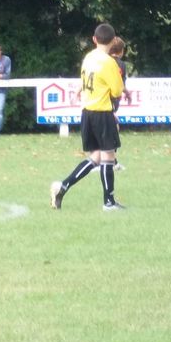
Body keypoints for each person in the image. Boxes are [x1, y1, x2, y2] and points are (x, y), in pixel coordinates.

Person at [50, 23, 126, 211]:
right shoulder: (109, 62)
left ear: (94, 39)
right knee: (109, 155)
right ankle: (109, 202)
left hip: (87, 111)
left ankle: (63, 186)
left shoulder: (88, 57)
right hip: (102, 111)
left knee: (96, 156)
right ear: (113, 40)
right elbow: (117, 90)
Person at [109, 37, 127, 170]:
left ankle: (111, 160)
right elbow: (119, 83)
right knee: (114, 128)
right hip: (110, 101)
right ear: (121, 51)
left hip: (103, 100)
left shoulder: (103, 61)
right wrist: (128, 93)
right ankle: (111, 161)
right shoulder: (120, 64)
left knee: (112, 127)